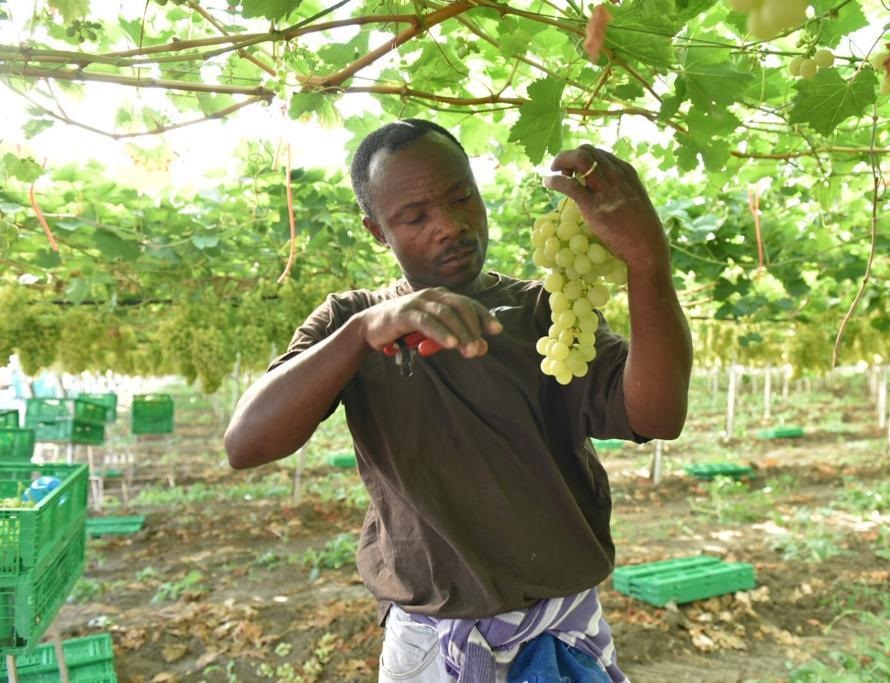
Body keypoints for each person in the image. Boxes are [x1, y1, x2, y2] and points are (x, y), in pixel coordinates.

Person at [224, 119, 693, 682]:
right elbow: (246, 444)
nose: (449, 225)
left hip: (561, 628)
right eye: (415, 217)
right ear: (378, 231)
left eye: (461, 197)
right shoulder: (351, 322)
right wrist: (361, 335)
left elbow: (658, 415)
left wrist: (647, 262)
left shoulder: (547, 314)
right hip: (431, 645)